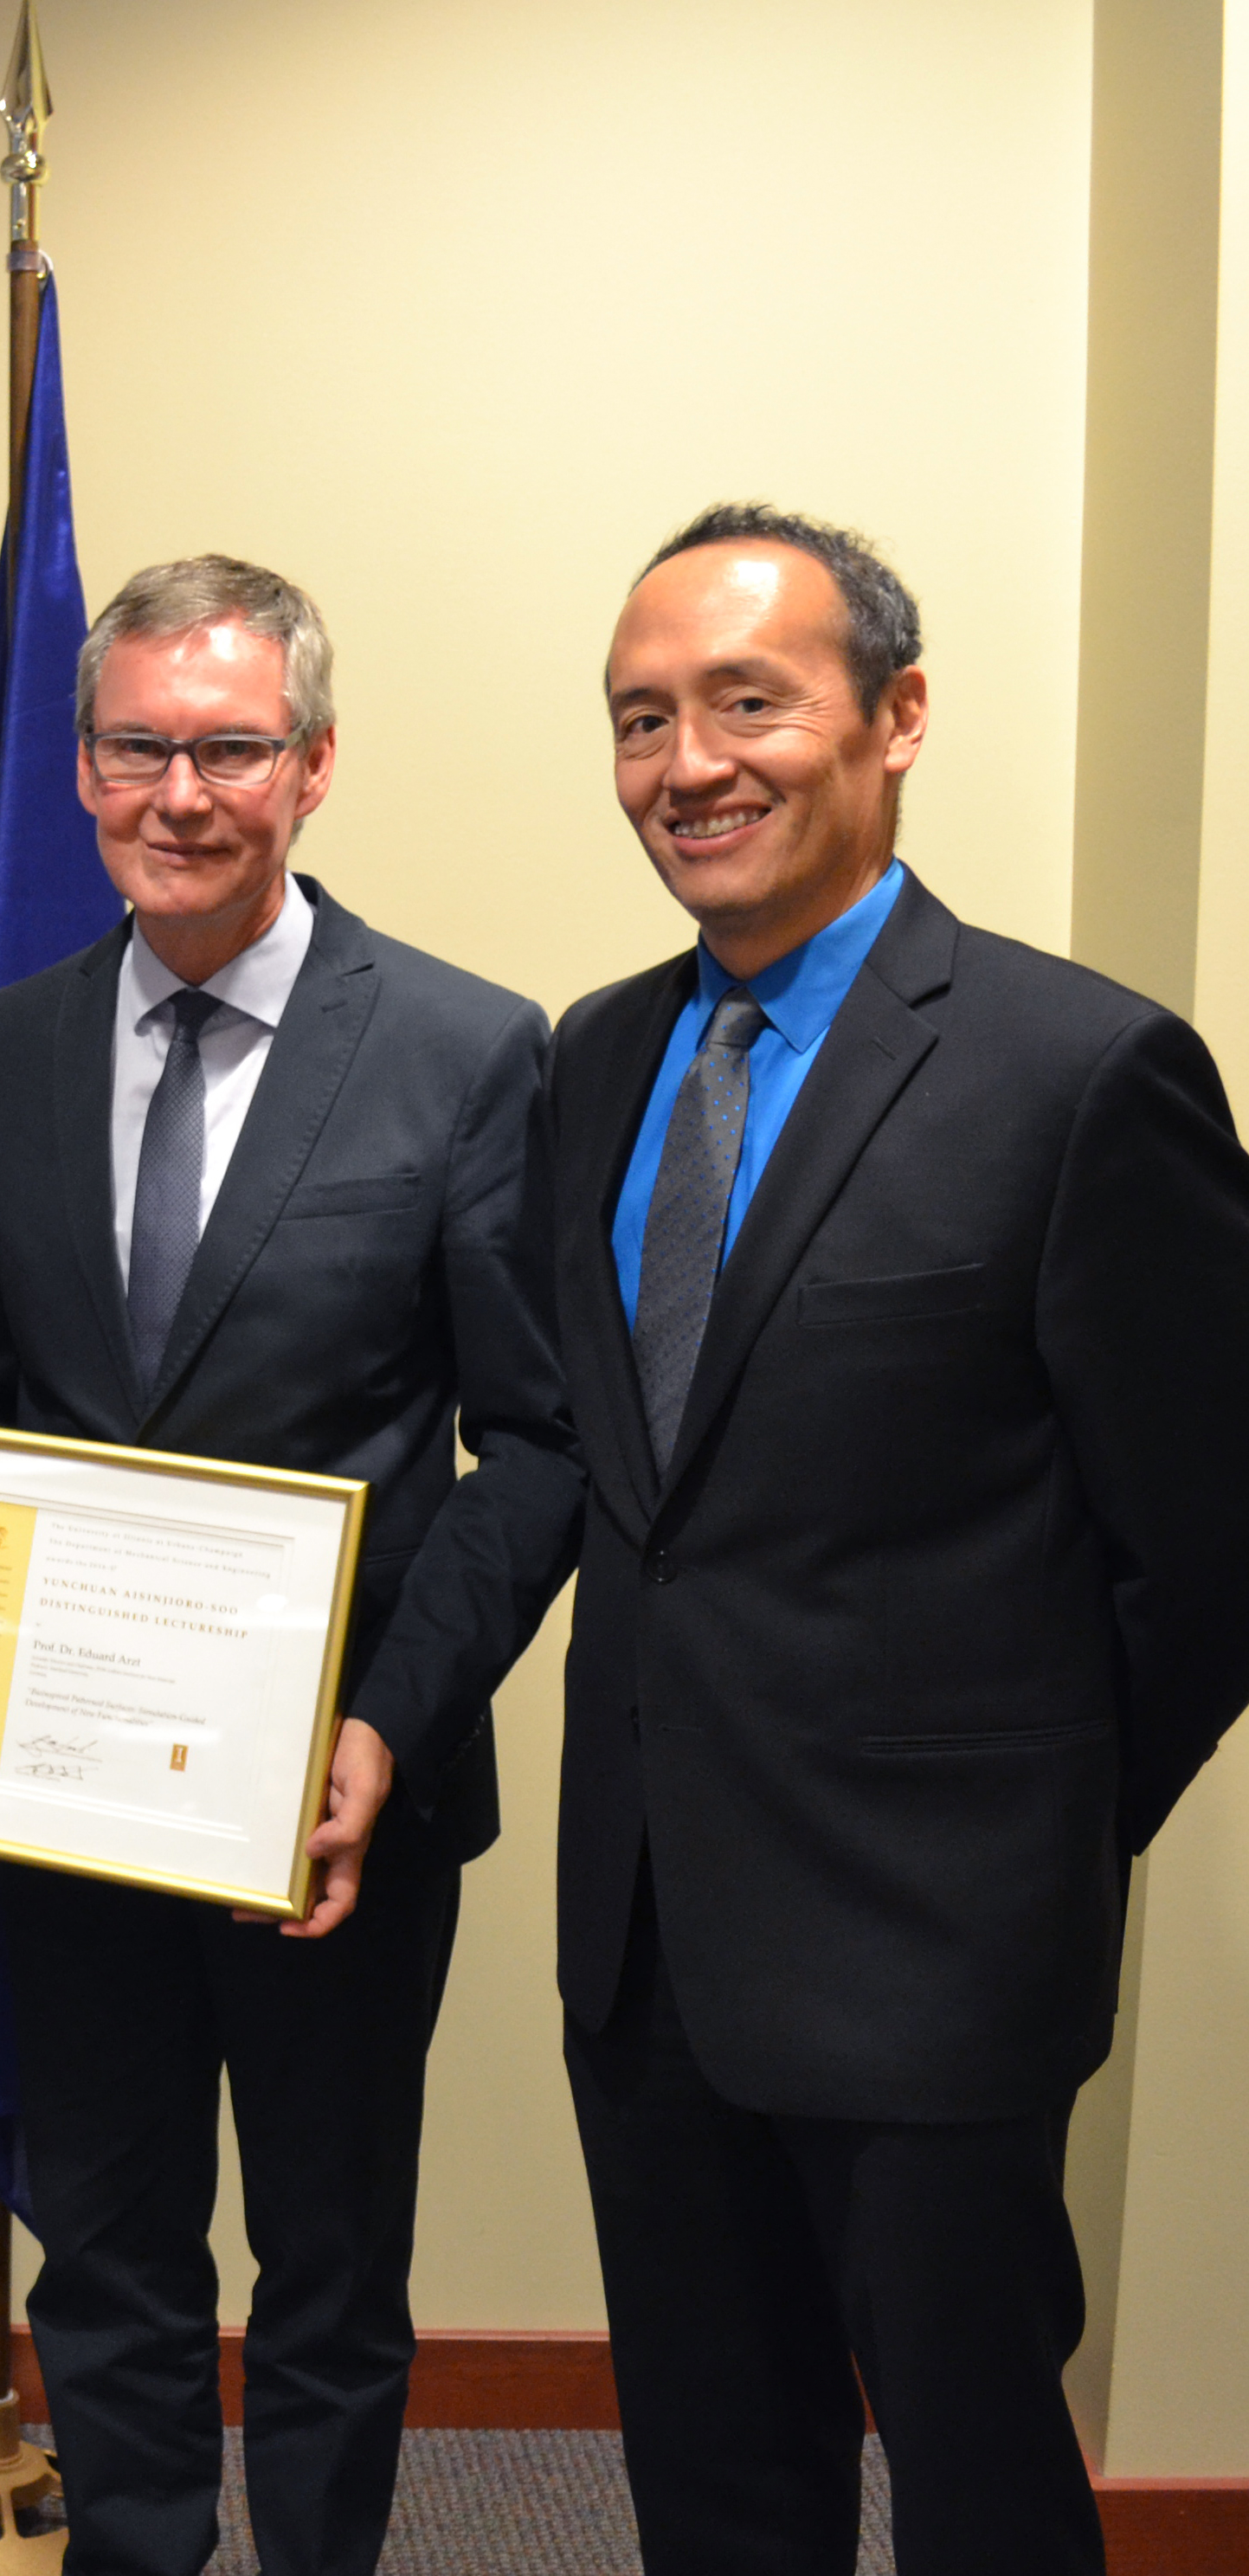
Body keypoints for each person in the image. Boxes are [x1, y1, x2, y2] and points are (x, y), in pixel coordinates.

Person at [545, 505, 1249, 2576]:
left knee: (972, 2491)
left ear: (896, 717)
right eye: (638, 718)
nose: (688, 764)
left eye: (746, 702)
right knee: (711, 2474)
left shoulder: (1078, 1069)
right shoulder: (594, 1060)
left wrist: (1019, 1827)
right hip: (648, 1932)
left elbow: (1206, 1552)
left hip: (934, 1957)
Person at [0, 556, 583, 2576]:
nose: (177, 793)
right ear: (82, 768)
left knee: (326, 2266)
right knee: (100, 2250)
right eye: (134, 748)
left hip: (331, 1811)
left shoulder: (463, 1047)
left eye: (226, 747)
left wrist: (384, 1721)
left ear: (310, 766)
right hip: (71, 1795)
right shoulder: (9, 1046)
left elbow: (530, 1441)